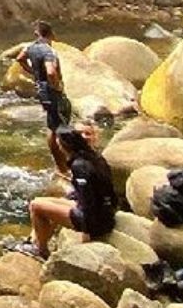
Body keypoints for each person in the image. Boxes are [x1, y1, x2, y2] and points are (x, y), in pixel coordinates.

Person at [24, 124, 116, 257]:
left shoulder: (79, 166)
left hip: (94, 221)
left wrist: (87, 233)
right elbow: (108, 193)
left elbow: (88, 202)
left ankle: (40, 250)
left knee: (35, 206)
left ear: (63, 146)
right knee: (47, 201)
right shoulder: (96, 158)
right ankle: (35, 240)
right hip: (105, 214)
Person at [15, 21, 73, 175]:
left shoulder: (30, 47)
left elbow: (20, 58)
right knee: (62, 127)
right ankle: (63, 167)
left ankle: (61, 164)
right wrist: (56, 85)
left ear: (37, 34)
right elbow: (51, 71)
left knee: (53, 126)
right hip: (51, 92)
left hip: (41, 90)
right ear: (52, 34)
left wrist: (34, 72)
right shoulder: (48, 51)